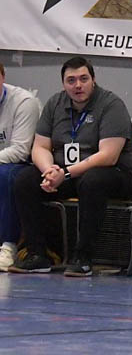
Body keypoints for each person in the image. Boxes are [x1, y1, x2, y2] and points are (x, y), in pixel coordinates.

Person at [9, 56, 132, 276]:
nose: (78, 85)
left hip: (115, 174)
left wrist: (66, 173)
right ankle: (37, 255)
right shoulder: (55, 104)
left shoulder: (111, 104)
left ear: (93, 80)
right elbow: (40, 147)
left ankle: (83, 257)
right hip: (68, 173)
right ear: (64, 84)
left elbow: (108, 156)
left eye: (83, 79)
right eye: (71, 80)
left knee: (92, 181)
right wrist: (49, 171)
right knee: (25, 180)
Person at [0, 61, 40, 271]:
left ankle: (8, 245)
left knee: (4, 175)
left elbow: (20, 150)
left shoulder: (24, 102)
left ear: (3, 76)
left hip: (21, 165)